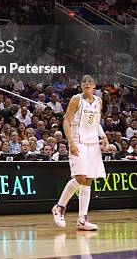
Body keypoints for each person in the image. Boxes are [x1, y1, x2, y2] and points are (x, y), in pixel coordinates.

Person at [52, 75, 108, 231]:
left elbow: (96, 124)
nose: (87, 84)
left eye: (90, 81)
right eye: (84, 82)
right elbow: (66, 122)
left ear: (94, 85)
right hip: (78, 142)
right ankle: (59, 207)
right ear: (81, 86)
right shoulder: (76, 100)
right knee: (80, 178)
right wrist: (71, 142)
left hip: (93, 144)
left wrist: (103, 137)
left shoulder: (99, 101)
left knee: (88, 180)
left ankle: (82, 219)